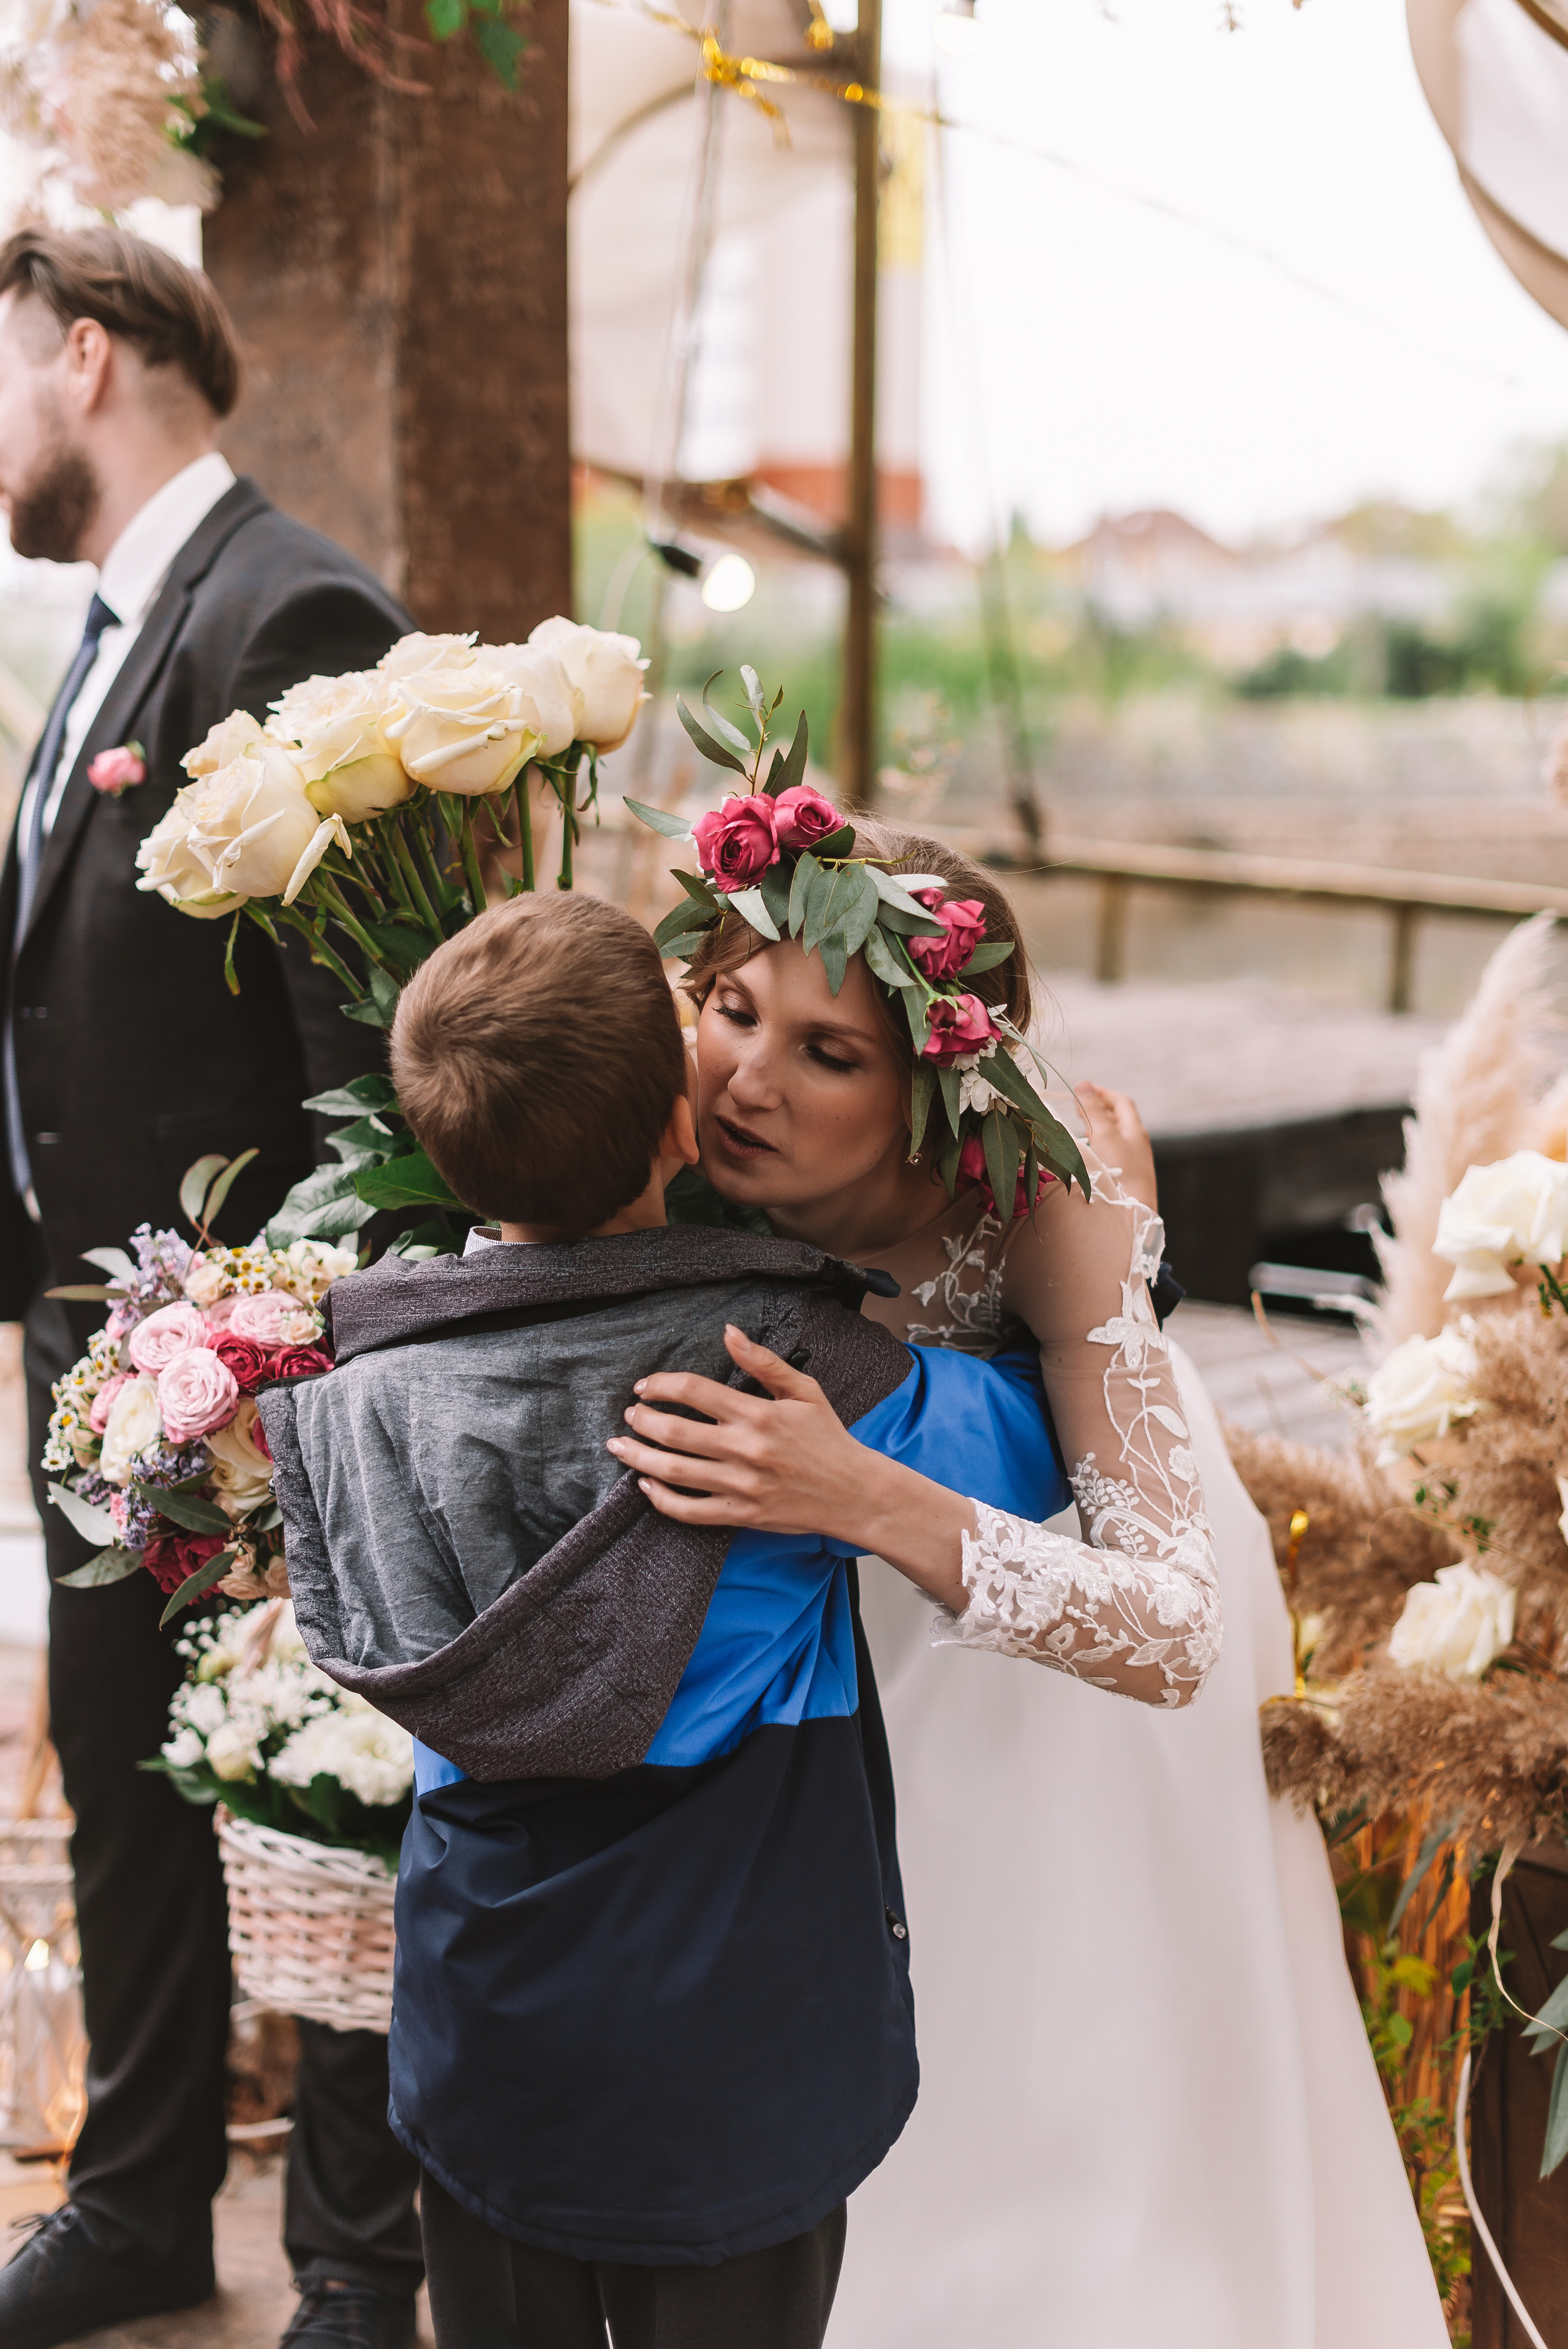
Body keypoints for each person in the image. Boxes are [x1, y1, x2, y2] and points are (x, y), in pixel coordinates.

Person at [258, 893, 1219, 2349]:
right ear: (674, 1128)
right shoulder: (795, 1370)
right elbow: (1033, 1456)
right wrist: (1117, 1258)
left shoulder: (353, 1407)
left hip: (488, 2026)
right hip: (737, 2034)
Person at [614, 818, 1451, 2349]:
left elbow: (1166, 1632)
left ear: (933, 1090)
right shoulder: (663, 1127)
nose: (746, 1078)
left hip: (1062, 1637)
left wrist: (860, 1492)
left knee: (1031, 2067)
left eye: (827, 1055)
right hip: (814, 1638)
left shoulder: (1047, 1203)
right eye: (732, 1010)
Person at [0, 227, 425, 2349]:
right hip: (95, 1353)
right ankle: (142, 2198)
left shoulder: (294, 609)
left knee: (318, 1761)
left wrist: (289, 1355)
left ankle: (356, 2251)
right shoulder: (98, 632)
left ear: (85, 354)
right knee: (122, 1762)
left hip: (260, 1370)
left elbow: (367, 1047)